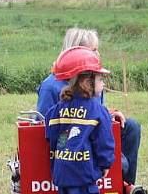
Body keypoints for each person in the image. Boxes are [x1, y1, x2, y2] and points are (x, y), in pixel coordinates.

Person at [36, 28, 141, 185]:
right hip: (75, 146)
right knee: (122, 165)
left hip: (94, 137)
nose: (97, 55)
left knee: (132, 126)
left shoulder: (92, 82)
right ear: (75, 52)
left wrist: (110, 114)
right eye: (93, 50)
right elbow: (43, 126)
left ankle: (127, 189)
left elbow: (94, 112)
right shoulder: (51, 86)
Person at [44, 46, 115, 194]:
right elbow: (104, 142)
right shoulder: (96, 109)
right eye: (100, 78)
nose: (103, 83)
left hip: (62, 168)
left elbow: (51, 133)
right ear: (86, 82)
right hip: (84, 170)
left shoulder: (58, 108)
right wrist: (104, 165)